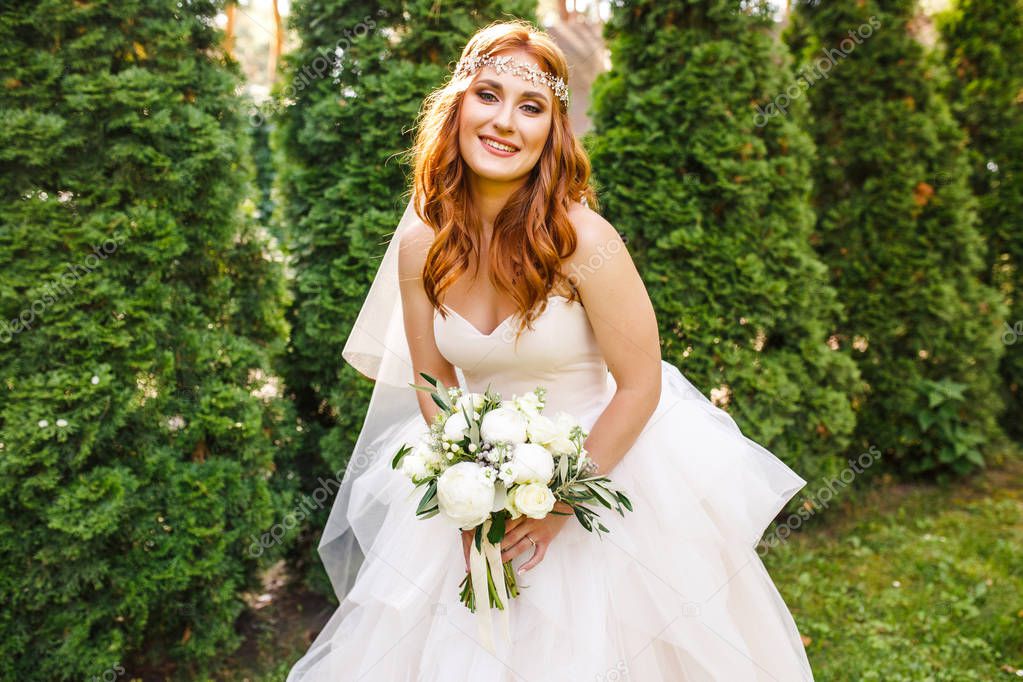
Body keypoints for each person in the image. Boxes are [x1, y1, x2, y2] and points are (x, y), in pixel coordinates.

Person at [287, 19, 815, 682]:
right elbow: (429, 374)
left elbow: (639, 386)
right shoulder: (423, 241)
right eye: (488, 96)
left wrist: (560, 504)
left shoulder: (582, 241)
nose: (505, 121)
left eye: (530, 106)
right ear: (456, 107)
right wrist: (465, 484)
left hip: (603, 470)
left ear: (551, 131)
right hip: (483, 474)